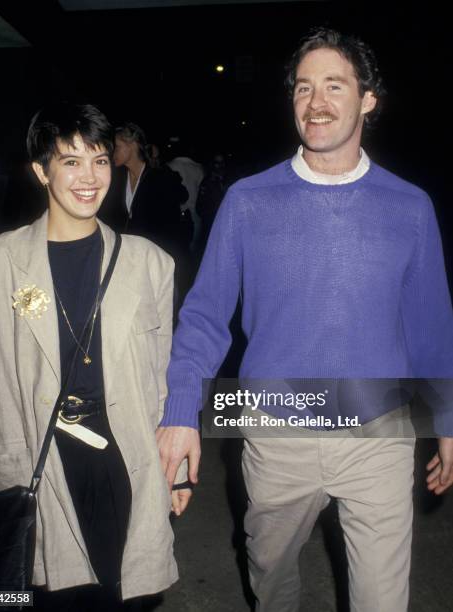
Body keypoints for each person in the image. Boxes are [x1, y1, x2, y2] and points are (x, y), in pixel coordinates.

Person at [156, 28, 453, 612]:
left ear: (369, 98)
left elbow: (431, 328)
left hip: (380, 437)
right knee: (271, 581)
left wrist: (447, 419)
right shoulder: (248, 200)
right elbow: (207, 314)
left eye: (334, 86)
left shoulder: (410, 208)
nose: (316, 103)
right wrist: (180, 411)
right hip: (276, 432)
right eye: (303, 88)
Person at [0, 102, 191, 612]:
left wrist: (173, 472)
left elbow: (161, 378)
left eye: (100, 160)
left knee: (120, 594)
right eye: (71, 161)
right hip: (38, 469)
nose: (89, 178)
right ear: (42, 171)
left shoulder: (149, 264)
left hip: (123, 467)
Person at [99, 122, 188, 257]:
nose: (112, 153)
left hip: (153, 254)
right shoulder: (116, 178)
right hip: (123, 254)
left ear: (133, 144)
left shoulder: (159, 176)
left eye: (117, 147)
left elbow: (169, 224)